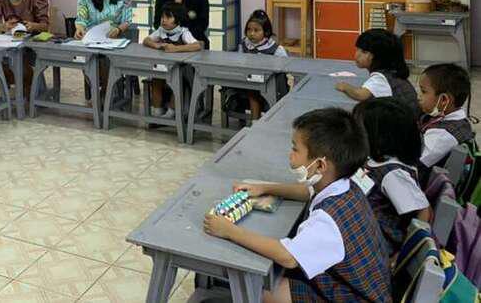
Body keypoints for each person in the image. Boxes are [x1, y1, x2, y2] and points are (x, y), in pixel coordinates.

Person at [203, 107, 391, 302]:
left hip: (352, 297)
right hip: (354, 284)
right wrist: (265, 188)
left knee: (257, 287)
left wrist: (229, 231)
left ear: (320, 165)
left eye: (295, 149)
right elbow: (307, 191)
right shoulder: (345, 184)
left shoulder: (328, 220)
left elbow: (288, 257)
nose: (290, 155)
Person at [352, 98, 431, 256]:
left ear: (381, 137)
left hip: (376, 247)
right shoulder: (376, 160)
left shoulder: (393, 175)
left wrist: (402, 255)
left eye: (359, 131)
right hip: (364, 234)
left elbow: (423, 212)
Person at [74, 0, 132, 98]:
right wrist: (79, 28)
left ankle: (105, 94)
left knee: (105, 60)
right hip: (91, 39)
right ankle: (102, 90)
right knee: (88, 59)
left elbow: (127, 20)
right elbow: (81, 18)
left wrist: (118, 29)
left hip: (113, 38)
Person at [336, 29, 419, 116]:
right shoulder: (393, 72)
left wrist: (345, 87)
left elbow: (360, 95)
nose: (357, 55)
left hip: (403, 119)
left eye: (364, 52)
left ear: (379, 57)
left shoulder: (380, 78)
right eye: (357, 49)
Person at [225, 10, 288, 120]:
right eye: (249, 30)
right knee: (250, 89)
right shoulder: (244, 45)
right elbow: (239, 62)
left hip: (270, 85)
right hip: (248, 82)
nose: (252, 33)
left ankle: (259, 120)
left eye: (256, 30)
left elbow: (285, 68)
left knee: (254, 91)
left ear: (266, 32)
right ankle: (253, 120)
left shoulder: (276, 49)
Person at [142, 2, 202, 118]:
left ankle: (172, 110)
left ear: (178, 19)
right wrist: (157, 45)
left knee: (178, 83)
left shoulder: (183, 32)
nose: (164, 20)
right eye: (162, 17)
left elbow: (197, 45)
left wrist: (176, 49)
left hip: (179, 71)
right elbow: (146, 40)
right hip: (162, 68)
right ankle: (157, 110)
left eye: (168, 17)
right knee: (155, 80)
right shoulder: (161, 31)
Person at [417, 63, 474, 168]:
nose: (419, 97)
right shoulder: (444, 115)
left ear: (443, 100)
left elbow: (414, 163)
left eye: (423, 92)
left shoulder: (442, 136)